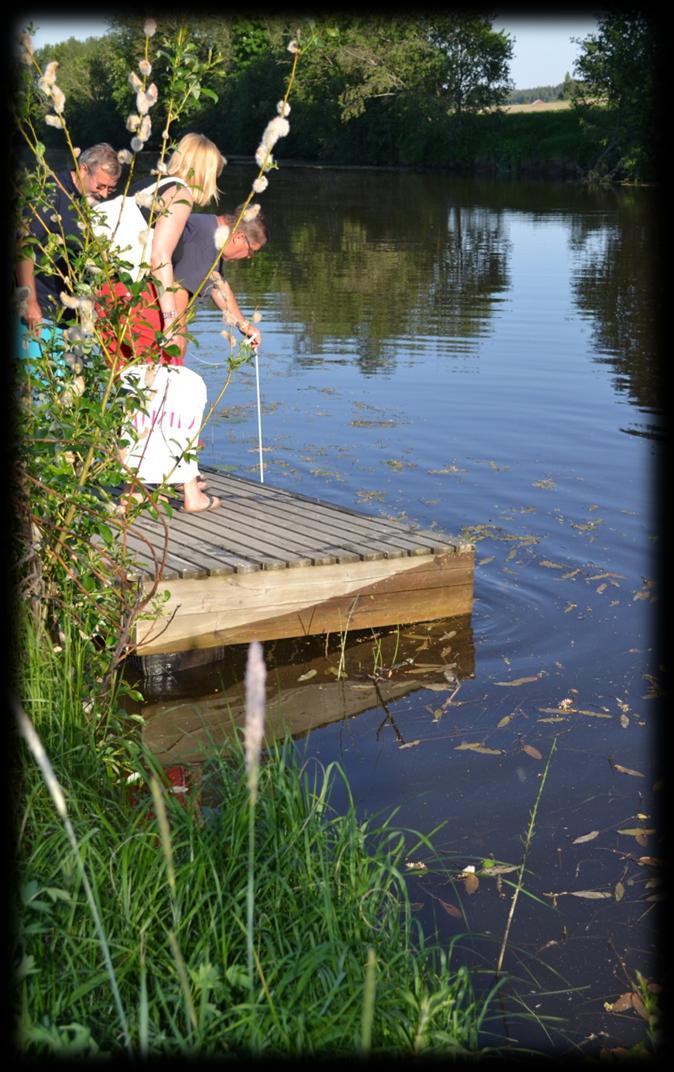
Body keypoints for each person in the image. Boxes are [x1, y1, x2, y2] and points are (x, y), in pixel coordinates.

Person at [97, 133, 227, 513]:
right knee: (168, 388)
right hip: (139, 300)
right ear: (205, 169)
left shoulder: (148, 187)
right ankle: (189, 493)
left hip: (113, 295)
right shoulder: (181, 194)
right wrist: (171, 318)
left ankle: (134, 490)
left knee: (134, 390)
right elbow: (160, 258)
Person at [16, 143, 122, 342]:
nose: (104, 194)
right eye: (100, 186)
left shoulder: (85, 201)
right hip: (39, 314)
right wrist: (29, 302)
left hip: (67, 316)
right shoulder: (51, 192)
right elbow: (24, 245)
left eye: (110, 189)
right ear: (83, 169)